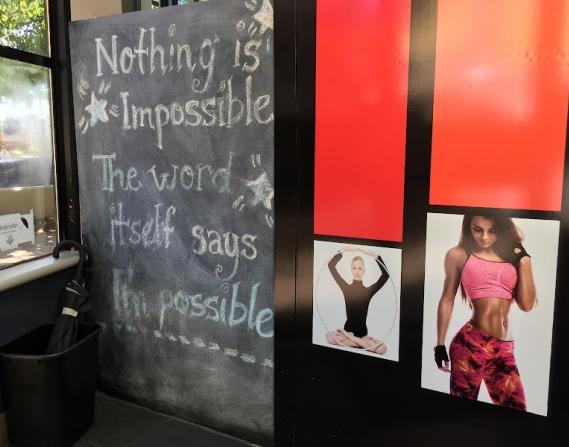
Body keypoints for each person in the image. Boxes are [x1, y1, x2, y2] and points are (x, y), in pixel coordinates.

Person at [434, 214, 537, 411]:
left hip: (505, 350)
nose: (484, 237)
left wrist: (524, 259)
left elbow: (527, 305)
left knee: (518, 409)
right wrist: (439, 345)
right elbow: (447, 299)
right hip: (471, 345)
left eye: (492, 230)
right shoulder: (458, 254)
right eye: (477, 230)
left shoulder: (512, 258)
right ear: (468, 227)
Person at [326, 248, 389, 354]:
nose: (357, 271)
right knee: (329, 336)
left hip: (361, 334)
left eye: (360, 268)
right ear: (351, 270)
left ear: (364, 271)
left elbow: (385, 275)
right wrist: (343, 250)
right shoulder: (346, 288)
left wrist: (374, 255)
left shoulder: (368, 291)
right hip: (348, 331)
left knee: (383, 348)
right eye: (354, 268)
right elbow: (331, 265)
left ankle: (353, 341)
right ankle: (360, 344)